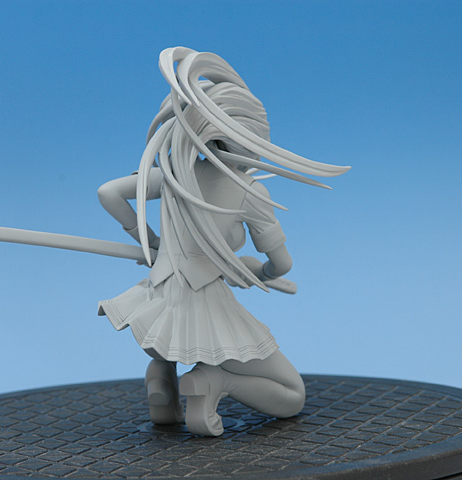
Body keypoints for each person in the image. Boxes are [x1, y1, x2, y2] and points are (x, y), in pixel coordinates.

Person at [97, 47, 350, 436]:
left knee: (164, 348)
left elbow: (108, 192)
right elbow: (282, 264)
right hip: (205, 307)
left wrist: (150, 243)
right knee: (292, 395)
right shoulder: (249, 191)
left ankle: (161, 378)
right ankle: (216, 381)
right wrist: (260, 272)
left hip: (157, 304)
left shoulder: (173, 176)